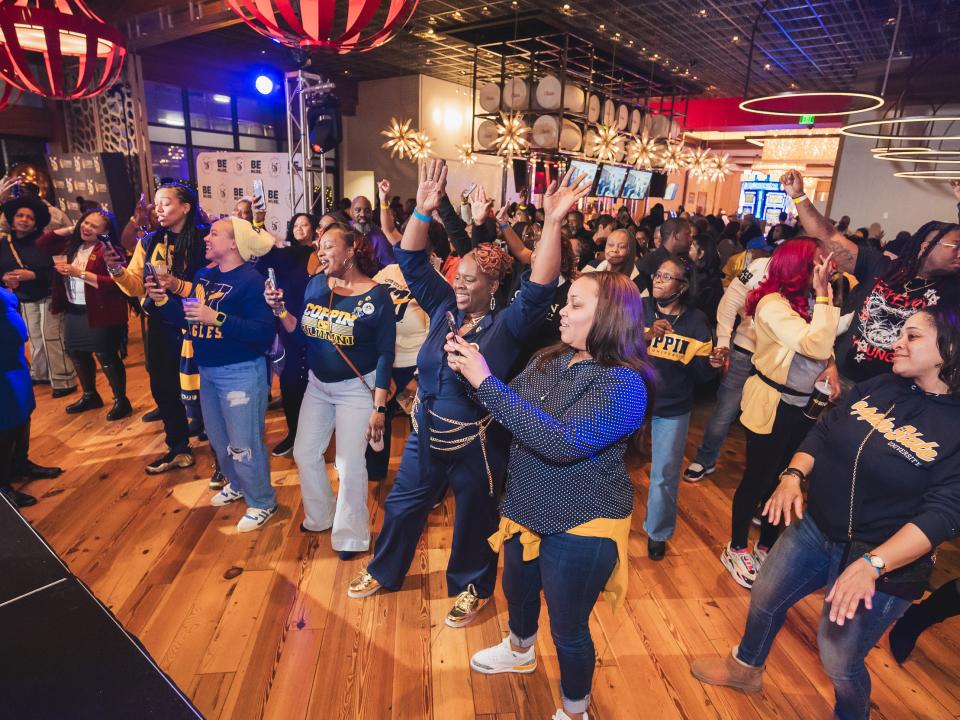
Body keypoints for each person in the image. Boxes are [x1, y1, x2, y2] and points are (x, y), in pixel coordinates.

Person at [347, 160, 587, 628]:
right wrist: (422, 211)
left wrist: (553, 222)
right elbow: (413, 261)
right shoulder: (442, 307)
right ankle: (384, 570)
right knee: (401, 505)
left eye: (470, 278)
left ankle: (471, 589)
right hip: (426, 432)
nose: (458, 282)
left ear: (493, 286)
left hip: (479, 442)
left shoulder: (507, 326)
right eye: (457, 275)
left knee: (474, 521)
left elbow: (538, 286)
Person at [691, 304, 960, 720]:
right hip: (816, 530)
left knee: (838, 658)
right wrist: (793, 474)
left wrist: (873, 564)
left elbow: (943, 514)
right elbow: (825, 428)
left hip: (884, 561)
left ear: (950, 348)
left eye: (913, 336)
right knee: (765, 595)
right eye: (900, 334)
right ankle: (745, 668)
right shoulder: (880, 385)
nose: (897, 343)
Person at [448, 271, 652, 720]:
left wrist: (486, 383)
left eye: (576, 305)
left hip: (582, 521)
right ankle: (520, 650)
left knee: (568, 627)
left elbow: (562, 442)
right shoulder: (551, 359)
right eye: (566, 302)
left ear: (610, 316)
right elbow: (506, 405)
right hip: (525, 506)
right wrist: (468, 368)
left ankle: (575, 710)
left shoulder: (624, 385)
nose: (562, 311)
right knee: (517, 592)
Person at [266, 221, 395, 558]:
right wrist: (280, 311)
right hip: (318, 386)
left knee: (350, 464)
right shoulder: (314, 286)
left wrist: (379, 407)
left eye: (328, 246)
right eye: (318, 247)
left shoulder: (377, 295)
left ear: (351, 251)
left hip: (356, 390)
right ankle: (320, 515)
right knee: (304, 453)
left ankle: (351, 536)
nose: (320, 252)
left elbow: (385, 354)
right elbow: (300, 334)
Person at [720, 240, 840, 587]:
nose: (824, 270)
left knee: (785, 479)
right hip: (772, 402)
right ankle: (738, 546)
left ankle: (767, 544)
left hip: (802, 403)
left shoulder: (804, 302)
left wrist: (831, 364)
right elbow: (813, 342)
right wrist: (823, 295)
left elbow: (824, 343)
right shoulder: (772, 304)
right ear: (797, 266)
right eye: (817, 263)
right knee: (757, 478)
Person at [146, 217, 277, 532]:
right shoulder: (204, 276)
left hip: (242, 372)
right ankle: (236, 483)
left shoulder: (251, 281)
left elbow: (262, 333)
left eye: (215, 233)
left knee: (245, 443)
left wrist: (216, 317)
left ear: (234, 244)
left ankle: (262, 501)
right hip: (209, 371)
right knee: (219, 441)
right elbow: (187, 319)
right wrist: (163, 299)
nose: (207, 237)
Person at [781, 169, 960, 394]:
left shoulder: (953, 290)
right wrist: (798, 196)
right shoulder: (883, 267)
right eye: (956, 246)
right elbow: (829, 237)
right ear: (926, 245)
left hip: (894, 394)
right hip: (842, 378)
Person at [103, 183, 209, 474]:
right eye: (156, 203)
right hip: (161, 325)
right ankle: (178, 448)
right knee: (163, 388)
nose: (157, 209)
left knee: (206, 390)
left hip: (199, 324)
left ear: (186, 207)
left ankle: (221, 454)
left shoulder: (205, 239)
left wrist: (177, 286)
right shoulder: (149, 242)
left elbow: (215, 286)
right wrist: (116, 271)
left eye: (165, 203)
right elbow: (136, 284)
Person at [642, 255, 717, 560]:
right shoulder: (640, 309)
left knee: (664, 474)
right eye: (657, 275)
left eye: (666, 277)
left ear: (683, 286)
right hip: (629, 401)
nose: (658, 281)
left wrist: (711, 365)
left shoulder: (696, 322)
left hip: (672, 406)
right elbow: (614, 344)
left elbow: (701, 376)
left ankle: (657, 532)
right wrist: (646, 333)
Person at [684, 254, 770, 482]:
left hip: (779, 359)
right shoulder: (760, 266)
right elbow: (731, 298)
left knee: (767, 417)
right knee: (725, 409)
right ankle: (705, 459)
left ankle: (757, 478)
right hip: (744, 350)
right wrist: (723, 341)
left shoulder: (811, 280)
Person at [367, 177, 430, 480]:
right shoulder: (389, 270)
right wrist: (383, 198)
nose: (404, 248)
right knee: (380, 417)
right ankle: (376, 473)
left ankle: (421, 480)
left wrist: (416, 377)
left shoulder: (431, 283)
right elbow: (387, 228)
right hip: (385, 358)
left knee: (421, 424)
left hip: (414, 363)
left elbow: (435, 334)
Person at [42, 209, 132, 420]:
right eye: (85, 222)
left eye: (93, 226)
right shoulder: (73, 247)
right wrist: (72, 228)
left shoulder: (109, 250)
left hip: (101, 310)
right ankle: (90, 395)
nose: (86, 227)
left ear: (106, 231)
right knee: (76, 353)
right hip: (74, 309)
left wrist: (80, 273)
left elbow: (117, 284)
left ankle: (121, 401)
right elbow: (43, 243)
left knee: (106, 355)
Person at [0, 194, 77, 397]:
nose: (24, 220)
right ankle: (41, 374)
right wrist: (5, 279)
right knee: (35, 338)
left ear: (36, 223)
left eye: (30, 217)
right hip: (23, 298)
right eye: (20, 216)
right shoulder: (4, 243)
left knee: (51, 337)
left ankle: (64, 379)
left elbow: (61, 270)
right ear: (12, 219)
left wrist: (33, 275)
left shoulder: (47, 243)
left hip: (49, 295)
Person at [258, 212, 316, 457]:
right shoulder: (286, 256)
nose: (301, 229)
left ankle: (313, 437)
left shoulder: (322, 259)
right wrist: (257, 224)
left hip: (319, 331)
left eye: (307, 225)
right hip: (290, 326)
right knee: (291, 384)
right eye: (297, 225)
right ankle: (295, 435)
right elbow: (261, 265)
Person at [0, 287, 63, 508]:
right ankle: (2, 486)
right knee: (5, 421)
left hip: (13, 361)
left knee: (23, 410)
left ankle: (19, 464)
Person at [635, 217, 693, 293]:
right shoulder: (647, 263)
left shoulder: (684, 261)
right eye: (687, 234)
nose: (691, 239)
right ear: (676, 236)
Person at [351, 195, 395, 270]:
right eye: (358, 210)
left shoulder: (380, 237)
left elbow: (390, 268)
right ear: (351, 212)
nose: (362, 215)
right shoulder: (344, 229)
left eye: (367, 211)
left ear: (372, 213)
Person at [688, 233, 724, 323]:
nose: (685, 251)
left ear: (701, 254)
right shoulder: (692, 273)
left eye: (689, 248)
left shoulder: (711, 283)